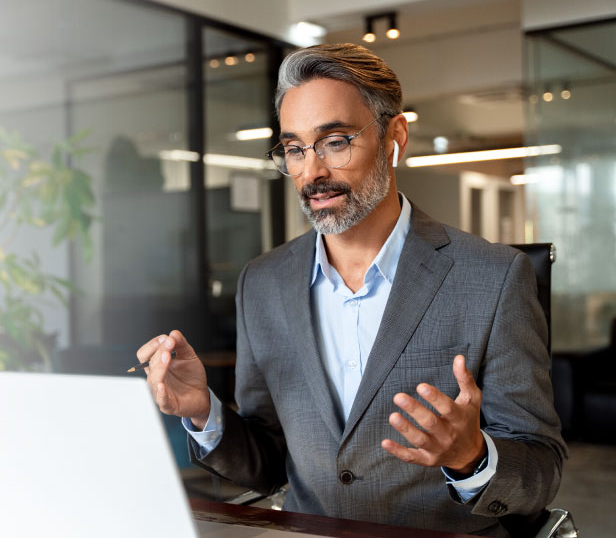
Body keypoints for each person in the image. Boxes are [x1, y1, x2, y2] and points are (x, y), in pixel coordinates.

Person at [137, 44, 565, 537]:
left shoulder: (494, 276)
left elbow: (541, 468)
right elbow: (269, 461)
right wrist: (203, 411)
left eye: (335, 142)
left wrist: (472, 456)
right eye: (295, 149)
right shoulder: (262, 283)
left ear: (394, 137)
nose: (312, 172)